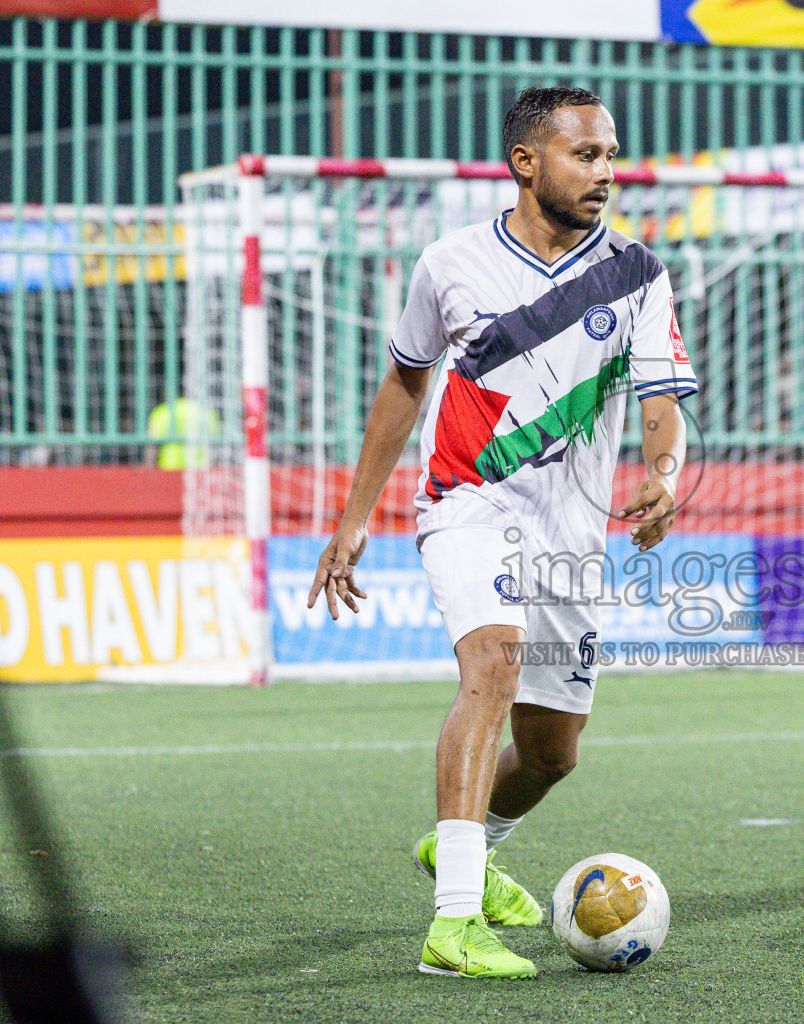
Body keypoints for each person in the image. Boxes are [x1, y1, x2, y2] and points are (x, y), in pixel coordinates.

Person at [306, 86, 697, 980]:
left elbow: (663, 398)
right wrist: (355, 516)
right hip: (466, 504)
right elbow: (404, 386)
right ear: (526, 163)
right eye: (585, 155)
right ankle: (452, 930)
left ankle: (464, 846)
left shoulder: (636, 273)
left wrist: (664, 476)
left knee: (555, 752)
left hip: (569, 539)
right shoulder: (450, 264)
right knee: (493, 664)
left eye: (610, 154)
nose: (606, 172)